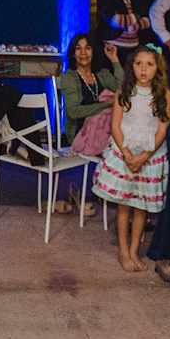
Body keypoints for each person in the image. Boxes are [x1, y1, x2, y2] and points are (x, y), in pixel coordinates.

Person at [91, 45, 170, 272]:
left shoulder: (164, 94)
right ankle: (123, 251)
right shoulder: (124, 92)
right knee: (125, 203)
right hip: (124, 152)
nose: (143, 69)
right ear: (132, 66)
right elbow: (115, 126)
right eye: (139, 64)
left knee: (141, 205)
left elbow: (162, 128)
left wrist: (144, 157)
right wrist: (127, 155)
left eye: (149, 64)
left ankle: (135, 251)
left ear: (157, 68)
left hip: (149, 155)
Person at [59, 33, 123, 214]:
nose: (83, 53)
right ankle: (119, 192)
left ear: (93, 51)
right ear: (72, 53)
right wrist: (106, 104)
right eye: (78, 48)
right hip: (80, 131)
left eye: (87, 47)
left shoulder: (101, 74)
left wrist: (115, 60)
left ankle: (120, 193)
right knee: (123, 144)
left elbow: (122, 89)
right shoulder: (69, 77)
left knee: (127, 139)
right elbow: (74, 112)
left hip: (106, 128)